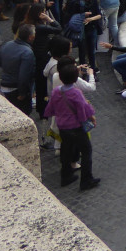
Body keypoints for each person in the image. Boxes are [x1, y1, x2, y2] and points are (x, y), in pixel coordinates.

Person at [43, 61, 100, 191]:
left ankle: (66, 176)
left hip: (63, 126)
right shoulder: (76, 93)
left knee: (66, 151)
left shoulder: (57, 91)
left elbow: (51, 108)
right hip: (76, 127)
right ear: (75, 78)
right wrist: (92, 118)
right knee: (86, 151)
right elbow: (84, 108)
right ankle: (86, 180)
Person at [0, 23, 36, 114]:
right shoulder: (27, 52)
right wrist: (22, 93)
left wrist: (7, 66)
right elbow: (24, 76)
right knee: (24, 113)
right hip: (16, 88)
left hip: (5, 85)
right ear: (30, 37)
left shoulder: (8, 44)